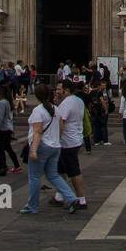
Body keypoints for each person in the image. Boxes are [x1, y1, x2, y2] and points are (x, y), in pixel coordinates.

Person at [20, 83, 79, 215]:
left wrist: (33, 150)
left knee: (34, 177)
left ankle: (32, 206)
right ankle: (71, 198)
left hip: (42, 147)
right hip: (55, 147)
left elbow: (37, 132)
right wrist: (56, 140)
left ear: (36, 96)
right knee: (53, 175)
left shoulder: (38, 111)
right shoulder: (56, 109)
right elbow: (61, 128)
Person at [55, 79, 87, 208]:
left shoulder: (67, 103)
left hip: (67, 142)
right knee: (61, 169)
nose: (56, 91)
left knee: (74, 172)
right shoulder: (78, 100)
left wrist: (56, 139)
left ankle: (81, 200)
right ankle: (59, 196)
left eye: (58, 89)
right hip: (75, 139)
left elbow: (61, 123)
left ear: (66, 90)